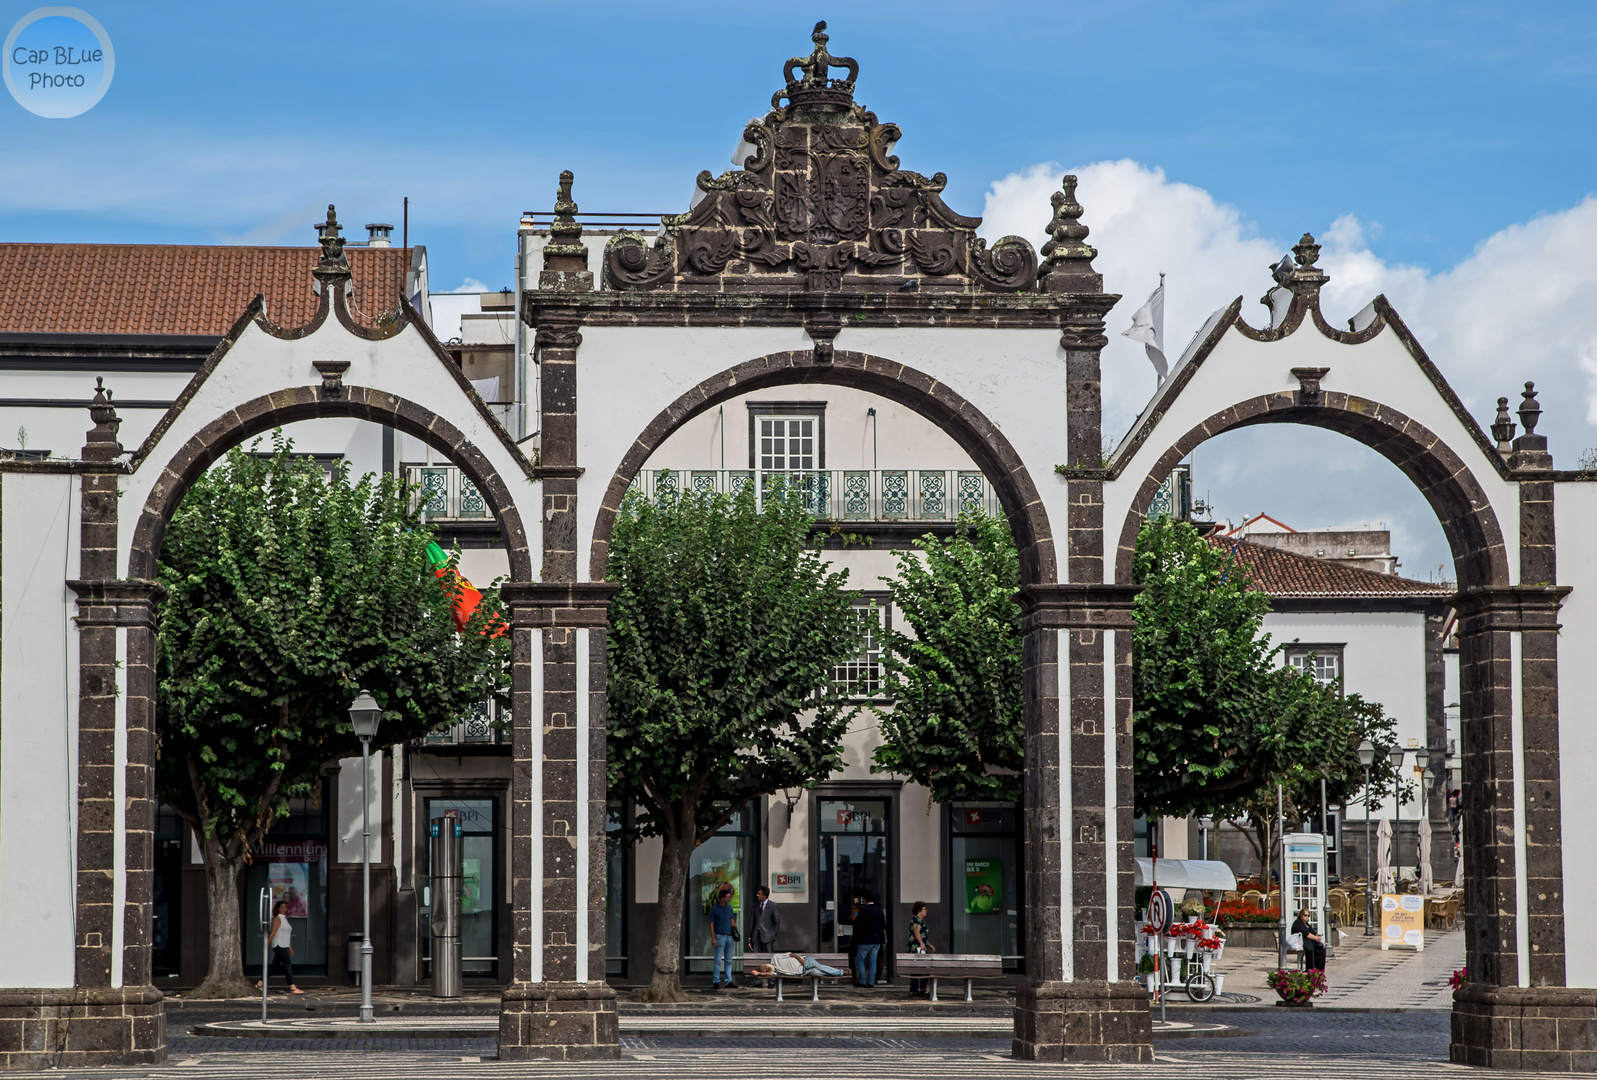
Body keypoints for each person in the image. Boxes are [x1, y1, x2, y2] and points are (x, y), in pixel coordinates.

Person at [254, 899, 304, 995]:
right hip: (278, 946)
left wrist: (290, 947)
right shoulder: (277, 919)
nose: (284, 909)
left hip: (284, 946)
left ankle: (259, 984)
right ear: (277, 909)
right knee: (288, 965)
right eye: (282, 907)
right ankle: (292, 987)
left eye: (285, 907)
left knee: (273, 967)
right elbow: (272, 934)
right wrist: (266, 946)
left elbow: (287, 934)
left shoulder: (285, 919)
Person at [852, 890, 887, 988]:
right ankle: (871, 982)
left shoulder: (864, 910)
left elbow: (856, 923)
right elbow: (883, 925)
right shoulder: (879, 910)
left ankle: (862, 981)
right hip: (877, 940)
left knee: (860, 960)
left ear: (865, 900)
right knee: (873, 961)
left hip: (865, 939)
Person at [750, 885, 781, 987]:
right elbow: (752, 922)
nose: (757, 895)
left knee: (770, 959)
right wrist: (750, 936)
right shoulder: (755, 906)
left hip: (768, 936)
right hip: (756, 936)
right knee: (756, 958)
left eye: (759, 894)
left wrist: (772, 934)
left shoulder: (772, 906)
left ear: (765, 895)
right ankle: (757, 980)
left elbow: (777, 922)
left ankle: (771, 981)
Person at [708, 884, 737, 991]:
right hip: (719, 936)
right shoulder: (714, 909)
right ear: (722, 898)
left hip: (729, 936)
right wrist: (713, 938)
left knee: (729, 960)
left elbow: (732, 920)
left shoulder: (729, 908)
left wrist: (736, 933)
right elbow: (711, 924)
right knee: (718, 960)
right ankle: (716, 981)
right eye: (728, 897)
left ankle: (728, 981)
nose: (729, 899)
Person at [906, 900, 935, 997]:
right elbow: (916, 932)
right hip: (916, 948)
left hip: (921, 946)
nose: (926, 911)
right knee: (918, 968)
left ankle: (920, 988)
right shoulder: (916, 920)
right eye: (924, 909)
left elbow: (922, 935)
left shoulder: (921, 921)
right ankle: (915, 989)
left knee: (923, 968)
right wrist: (921, 943)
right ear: (919, 910)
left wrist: (928, 944)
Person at [753, 953, 845, 979]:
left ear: (765, 964)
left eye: (764, 967)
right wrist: (758, 973)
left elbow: (791, 955)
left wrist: (800, 960)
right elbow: (769, 975)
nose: (766, 969)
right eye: (765, 970)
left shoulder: (775, 957)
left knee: (819, 967)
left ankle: (840, 972)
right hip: (804, 972)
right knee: (817, 973)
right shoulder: (776, 971)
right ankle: (838, 972)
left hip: (805, 961)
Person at [1291, 906, 1327, 972]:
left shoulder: (1307, 924)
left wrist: (1317, 937)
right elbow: (1306, 934)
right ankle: (1310, 969)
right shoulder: (1298, 923)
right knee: (1310, 948)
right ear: (1301, 915)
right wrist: (1315, 938)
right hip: (1300, 943)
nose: (1307, 917)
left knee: (1321, 949)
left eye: (1308, 915)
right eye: (1305, 915)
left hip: (1308, 942)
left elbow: (1312, 932)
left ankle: (1319, 968)